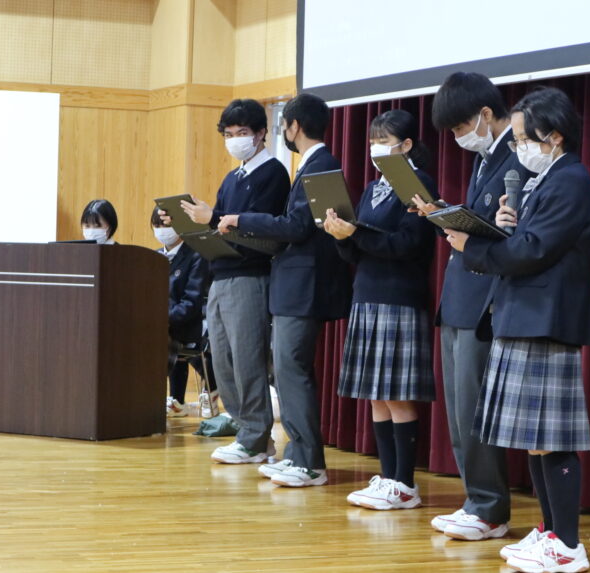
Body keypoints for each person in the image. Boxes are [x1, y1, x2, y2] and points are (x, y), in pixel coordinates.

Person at [445, 87, 590, 573]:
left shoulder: (570, 179)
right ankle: (550, 530)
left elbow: (535, 250)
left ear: (555, 136)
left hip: (546, 317)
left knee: (552, 436)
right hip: (523, 314)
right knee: (535, 435)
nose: (519, 148)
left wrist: (473, 247)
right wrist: (504, 225)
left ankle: (567, 544)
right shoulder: (545, 179)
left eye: (525, 139)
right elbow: (526, 241)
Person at [215, 93, 352, 487]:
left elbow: (297, 226)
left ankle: (310, 462)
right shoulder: (311, 164)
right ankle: (296, 454)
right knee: (289, 371)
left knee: (292, 370)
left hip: (304, 286)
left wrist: (242, 219)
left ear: (293, 126)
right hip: (294, 285)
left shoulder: (321, 164)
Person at [421, 71, 527, 541]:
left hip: (485, 299)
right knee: (459, 412)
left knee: (473, 409)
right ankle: (475, 501)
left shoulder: (516, 157)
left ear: (486, 114)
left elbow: (511, 232)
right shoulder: (485, 158)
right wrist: (443, 215)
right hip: (460, 295)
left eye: (462, 126)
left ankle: (488, 508)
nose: (459, 137)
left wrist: (467, 230)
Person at [322, 109, 437, 510]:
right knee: (375, 395)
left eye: (384, 142)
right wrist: (342, 236)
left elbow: (408, 244)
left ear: (406, 145)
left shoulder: (418, 183)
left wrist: (357, 234)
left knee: (397, 395)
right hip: (367, 293)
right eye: (372, 142)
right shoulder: (373, 188)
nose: (375, 149)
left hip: (399, 296)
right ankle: (388, 477)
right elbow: (358, 250)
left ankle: (405, 483)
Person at [164, 98, 289, 464]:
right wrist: (192, 221)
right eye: (229, 134)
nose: (235, 140)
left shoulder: (274, 174)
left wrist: (213, 216)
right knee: (222, 359)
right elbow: (218, 226)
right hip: (221, 273)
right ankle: (245, 429)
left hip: (250, 275)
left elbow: (263, 230)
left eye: (242, 133)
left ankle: (256, 437)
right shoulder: (232, 178)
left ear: (262, 133)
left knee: (247, 358)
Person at [150, 207, 218, 417]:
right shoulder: (153, 257)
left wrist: (163, 318)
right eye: (157, 225)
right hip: (161, 323)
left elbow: (192, 301)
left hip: (189, 322)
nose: (162, 230)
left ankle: (207, 389)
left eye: (166, 225)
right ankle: (169, 400)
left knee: (166, 338)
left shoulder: (197, 255)